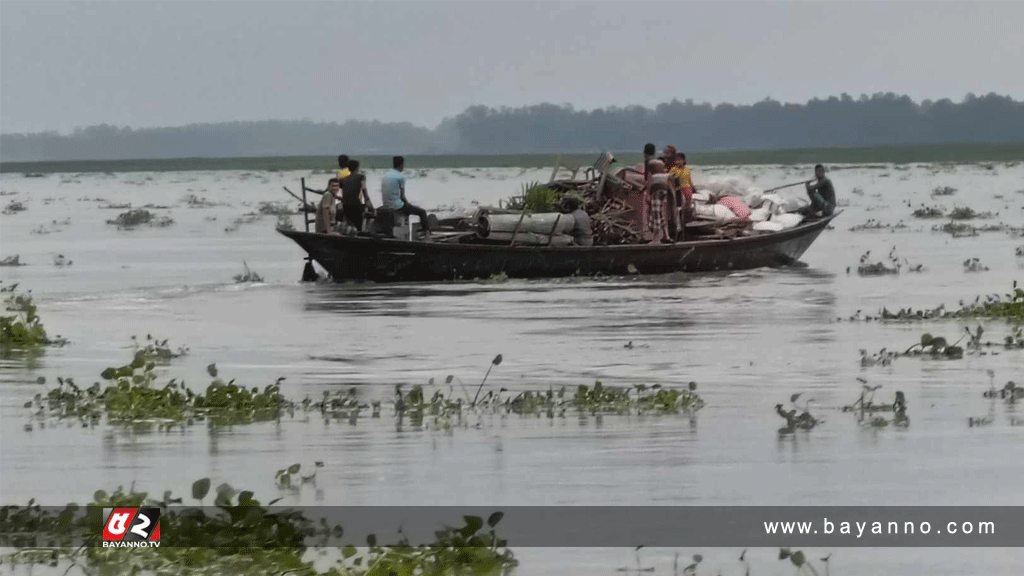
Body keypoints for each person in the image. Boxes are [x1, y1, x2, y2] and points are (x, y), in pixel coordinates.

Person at [380, 155, 431, 238]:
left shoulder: (385, 175)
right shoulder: (400, 177)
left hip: (386, 204)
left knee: (408, 207)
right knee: (422, 212)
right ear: (401, 165)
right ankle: (427, 234)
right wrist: (407, 204)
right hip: (397, 206)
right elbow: (402, 197)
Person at [340, 159, 372, 231]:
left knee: (349, 225)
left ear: (348, 169)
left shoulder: (344, 179)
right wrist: (368, 202)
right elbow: (364, 189)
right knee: (358, 226)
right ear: (357, 168)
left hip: (345, 206)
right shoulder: (361, 177)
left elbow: (345, 192)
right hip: (355, 205)